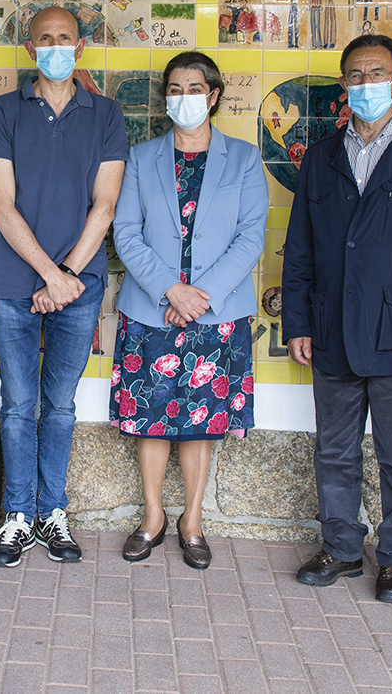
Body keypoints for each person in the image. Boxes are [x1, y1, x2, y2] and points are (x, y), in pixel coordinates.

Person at [281, 34, 392, 605]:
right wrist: (298, 324)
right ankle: (339, 547)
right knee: (334, 450)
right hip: (331, 330)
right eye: (355, 76)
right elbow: (301, 248)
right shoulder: (320, 157)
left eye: (376, 73)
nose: (365, 85)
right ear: (343, 85)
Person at [0, 5, 127, 567]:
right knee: (18, 405)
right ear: (30, 47)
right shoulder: (1, 111)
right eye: (45, 38)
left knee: (59, 405)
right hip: (16, 282)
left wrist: (66, 279)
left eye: (65, 38)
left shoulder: (107, 114)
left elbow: (105, 204)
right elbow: (0, 203)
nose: (56, 46)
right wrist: (48, 275)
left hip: (79, 284)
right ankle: (17, 514)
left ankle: (52, 512)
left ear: (81, 47)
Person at [111, 51, 266, 570]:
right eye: (174, 89)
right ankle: (153, 517)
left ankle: (192, 521)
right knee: (150, 419)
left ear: (214, 95)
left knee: (201, 421)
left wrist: (201, 296)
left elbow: (250, 238)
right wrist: (171, 291)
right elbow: (126, 233)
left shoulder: (243, 159)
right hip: (153, 310)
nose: (184, 99)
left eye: (194, 88)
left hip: (216, 315)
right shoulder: (141, 157)